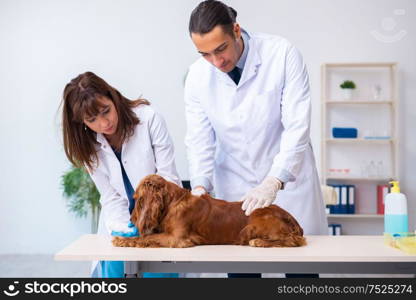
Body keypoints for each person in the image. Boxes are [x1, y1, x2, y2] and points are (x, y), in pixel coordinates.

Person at [185, 0, 328, 278]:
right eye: (205, 54)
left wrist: (275, 180)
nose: (216, 62)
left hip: (289, 186)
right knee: (242, 275)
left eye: (220, 49)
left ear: (236, 30)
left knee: (301, 273)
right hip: (235, 187)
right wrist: (200, 186)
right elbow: (200, 139)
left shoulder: (282, 54)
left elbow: (297, 126)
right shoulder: (197, 76)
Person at [61, 71, 181, 278]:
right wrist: (121, 225)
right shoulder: (87, 144)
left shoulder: (148, 118)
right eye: (92, 119)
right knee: (113, 274)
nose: (104, 123)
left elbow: (168, 178)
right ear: (82, 122)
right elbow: (109, 195)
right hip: (120, 219)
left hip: (161, 215)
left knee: (158, 276)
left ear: (113, 97)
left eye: (106, 111)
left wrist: (149, 219)